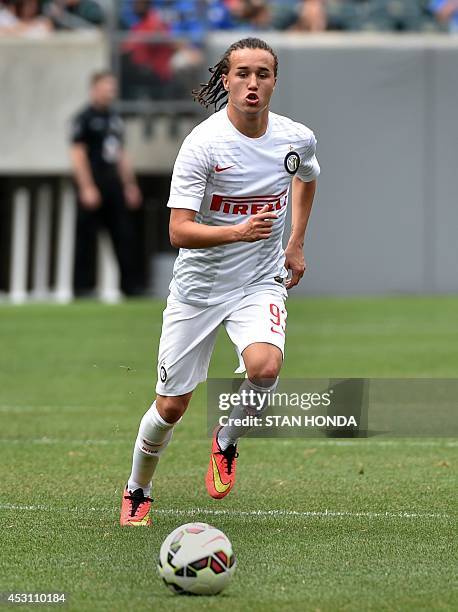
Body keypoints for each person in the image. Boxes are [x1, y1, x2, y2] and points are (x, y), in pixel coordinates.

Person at [120, 37, 320, 526]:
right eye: (243, 74)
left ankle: (226, 440)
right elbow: (177, 230)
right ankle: (137, 488)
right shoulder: (203, 145)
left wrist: (294, 243)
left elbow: (307, 178)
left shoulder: (296, 138)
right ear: (226, 79)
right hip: (200, 289)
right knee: (171, 406)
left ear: (275, 80)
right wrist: (236, 231)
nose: (253, 83)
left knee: (266, 367)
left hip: (259, 279)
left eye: (263, 74)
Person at [70, 71, 144, 297]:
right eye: (106, 87)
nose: (110, 91)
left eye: (113, 87)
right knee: (86, 237)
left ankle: (130, 286)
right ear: (95, 89)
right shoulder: (83, 118)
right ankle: (83, 287)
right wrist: (86, 187)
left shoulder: (115, 118)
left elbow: (120, 154)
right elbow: (77, 154)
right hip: (94, 181)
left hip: (114, 184)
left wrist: (130, 185)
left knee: (124, 234)